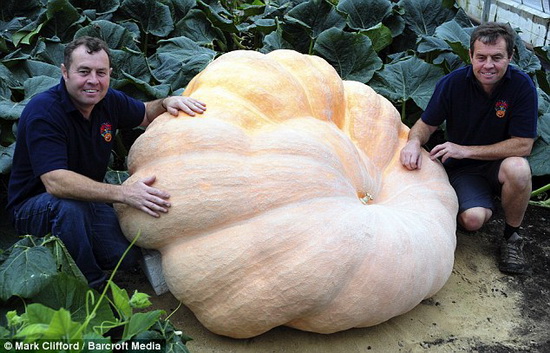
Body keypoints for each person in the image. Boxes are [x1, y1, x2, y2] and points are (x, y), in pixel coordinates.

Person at [6, 36, 206, 289]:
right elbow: (55, 182)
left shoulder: (107, 100)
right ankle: (93, 287)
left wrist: (166, 102)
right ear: (65, 73)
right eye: (84, 71)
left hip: (87, 200)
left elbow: (144, 113)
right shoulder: (44, 112)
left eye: (101, 72)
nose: (93, 80)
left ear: (110, 73)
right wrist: (124, 193)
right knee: (67, 208)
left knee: (123, 255)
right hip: (34, 206)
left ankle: (72, 250)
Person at [400, 22, 538, 275]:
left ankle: (511, 237)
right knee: (472, 221)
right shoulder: (452, 84)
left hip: (500, 166)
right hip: (464, 171)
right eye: (481, 57)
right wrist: (413, 141)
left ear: (510, 56)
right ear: (470, 56)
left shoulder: (521, 86)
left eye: (497, 57)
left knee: (519, 168)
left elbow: (523, 145)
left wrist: (465, 149)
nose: (488, 65)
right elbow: (425, 124)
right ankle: (488, 201)